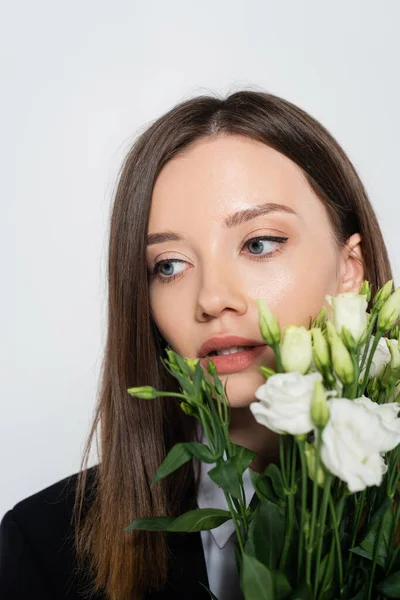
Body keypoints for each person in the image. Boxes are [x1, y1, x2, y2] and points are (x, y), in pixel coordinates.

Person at [0, 89, 394, 600]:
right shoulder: (39, 549)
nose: (211, 299)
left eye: (259, 244)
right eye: (169, 265)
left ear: (350, 270)